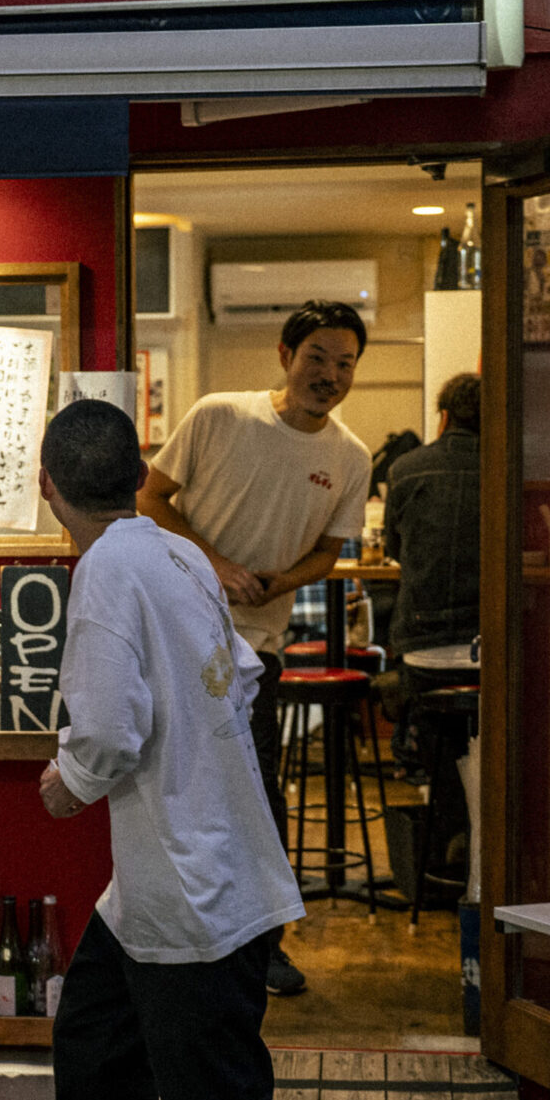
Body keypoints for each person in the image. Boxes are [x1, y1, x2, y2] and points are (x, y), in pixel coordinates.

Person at [36, 398, 305, 1100]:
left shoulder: (105, 573)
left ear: (47, 489)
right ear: (142, 474)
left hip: (193, 889)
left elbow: (108, 731)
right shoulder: (179, 553)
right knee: (93, 1051)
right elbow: (245, 676)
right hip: (180, 873)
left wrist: (68, 783)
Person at [138, 299, 372, 996]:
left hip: (255, 646)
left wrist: (278, 582)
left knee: (256, 789)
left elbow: (328, 552)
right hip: (174, 632)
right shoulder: (220, 415)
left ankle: (262, 945)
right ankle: (168, 935)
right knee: (169, 781)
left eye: (345, 364)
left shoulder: (350, 457)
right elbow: (151, 499)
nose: (329, 375)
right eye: (317, 358)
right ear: (285, 355)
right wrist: (215, 564)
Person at [381, 372, 482, 781]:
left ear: (444, 417)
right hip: (493, 651)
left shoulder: (404, 469)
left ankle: (441, 803)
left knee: (441, 761)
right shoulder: (511, 466)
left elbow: (393, 551)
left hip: (423, 650)